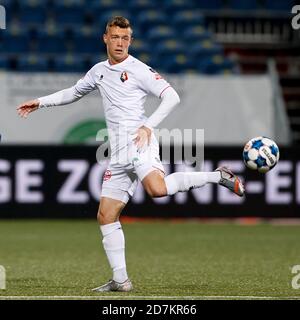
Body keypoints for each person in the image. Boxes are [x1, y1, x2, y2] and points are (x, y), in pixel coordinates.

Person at [17, 16, 245, 292]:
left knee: (157, 190)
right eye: (115, 37)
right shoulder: (98, 71)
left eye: (125, 38)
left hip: (139, 143)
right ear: (105, 38)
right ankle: (121, 280)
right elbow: (73, 93)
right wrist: (39, 102)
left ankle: (217, 175)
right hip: (117, 152)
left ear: (131, 41)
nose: (120, 43)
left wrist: (148, 126)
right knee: (106, 215)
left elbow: (172, 96)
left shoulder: (139, 69)